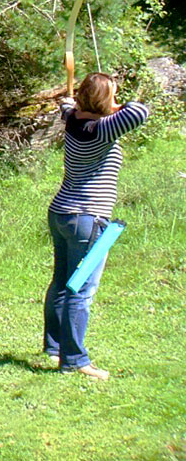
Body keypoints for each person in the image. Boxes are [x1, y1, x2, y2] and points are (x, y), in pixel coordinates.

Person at [44, 73, 148, 380]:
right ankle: (74, 359)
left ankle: (54, 347)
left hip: (62, 213)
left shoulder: (73, 120)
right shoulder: (103, 128)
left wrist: (73, 104)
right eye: (113, 95)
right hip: (88, 219)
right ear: (105, 101)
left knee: (63, 282)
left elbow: (67, 108)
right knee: (81, 289)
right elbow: (140, 111)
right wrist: (115, 104)